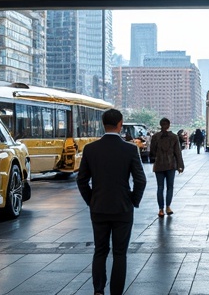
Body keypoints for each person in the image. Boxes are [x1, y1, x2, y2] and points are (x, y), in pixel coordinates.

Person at [77, 108, 146, 295]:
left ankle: (98, 290)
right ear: (120, 124)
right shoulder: (130, 149)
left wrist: (91, 200)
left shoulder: (90, 149)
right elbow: (140, 180)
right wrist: (133, 200)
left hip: (98, 207)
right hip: (122, 208)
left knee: (100, 250)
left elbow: (81, 180)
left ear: (103, 124)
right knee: (119, 253)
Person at [150, 117, 183, 218]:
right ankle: (168, 207)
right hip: (170, 165)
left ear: (160, 125)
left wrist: (156, 157)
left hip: (159, 165)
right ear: (168, 125)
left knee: (160, 187)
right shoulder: (174, 137)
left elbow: (152, 152)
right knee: (170, 187)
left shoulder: (155, 137)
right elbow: (177, 152)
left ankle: (161, 209)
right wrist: (180, 166)